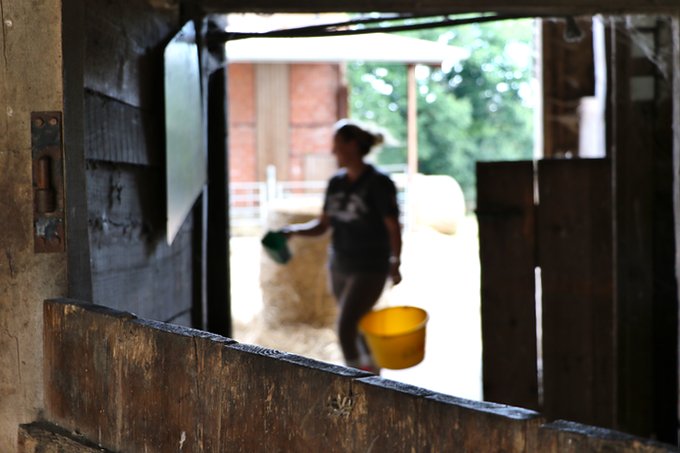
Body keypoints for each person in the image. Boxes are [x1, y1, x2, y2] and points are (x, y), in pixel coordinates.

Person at [281, 119, 402, 373]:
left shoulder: (378, 183)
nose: (333, 151)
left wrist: (395, 262)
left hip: (370, 266)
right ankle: (373, 377)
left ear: (353, 145)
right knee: (359, 325)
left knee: (345, 327)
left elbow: (393, 226)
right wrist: (293, 231)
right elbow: (323, 225)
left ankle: (354, 382)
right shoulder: (336, 183)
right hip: (340, 264)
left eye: (337, 145)